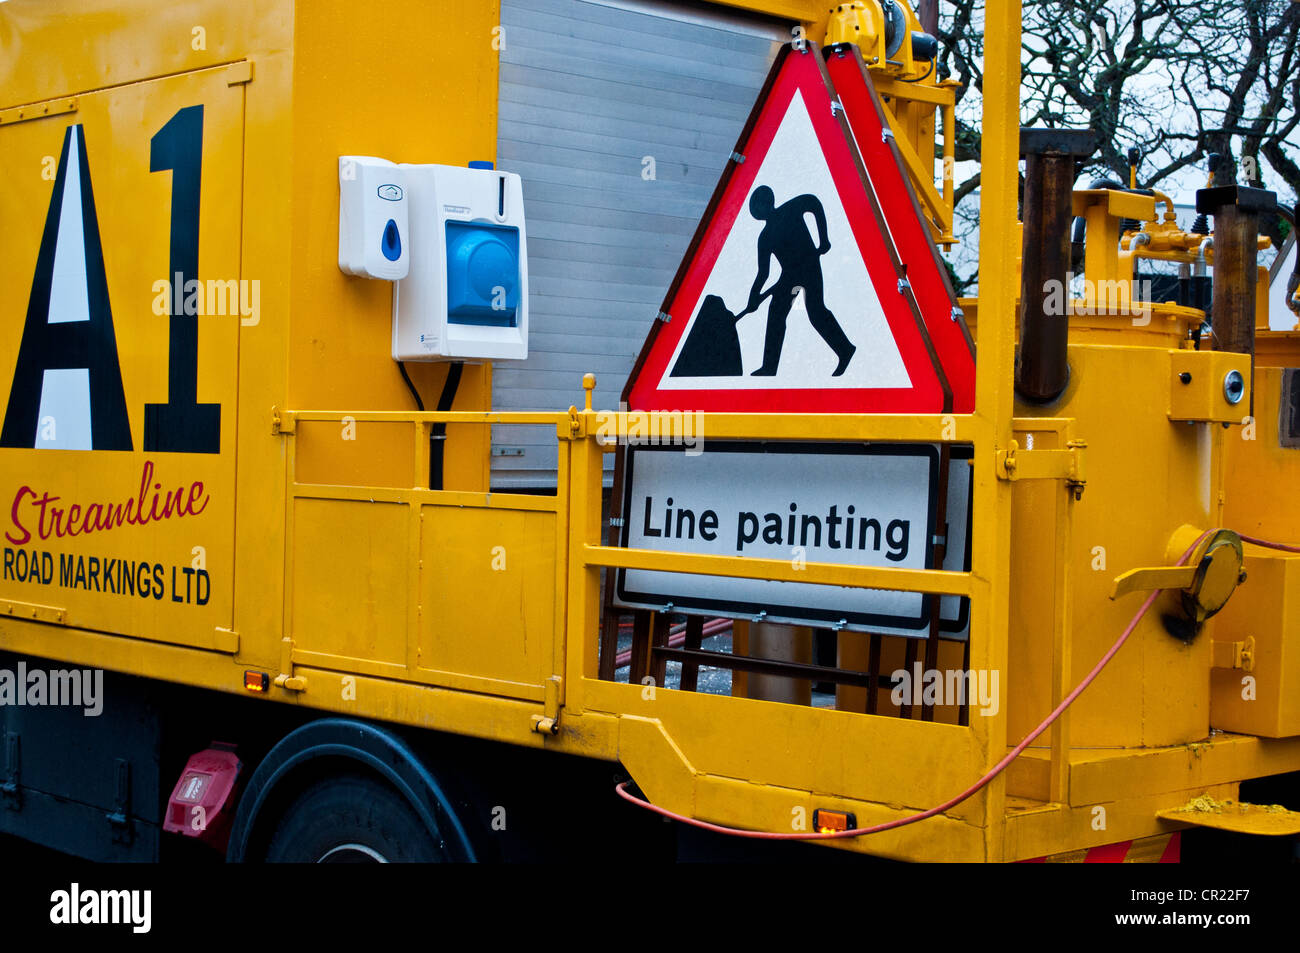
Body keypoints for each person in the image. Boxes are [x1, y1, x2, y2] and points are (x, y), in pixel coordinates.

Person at [737, 185, 856, 376]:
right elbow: (763, 273)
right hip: (789, 276)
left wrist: (823, 239)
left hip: (809, 267)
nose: (757, 213)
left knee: (816, 312)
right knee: (776, 313)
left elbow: (814, 202)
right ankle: (769, 367)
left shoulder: (791, 209)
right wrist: (753, 298)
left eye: (757, 208)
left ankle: (845, 350)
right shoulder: (765, 237)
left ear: (767, 203)